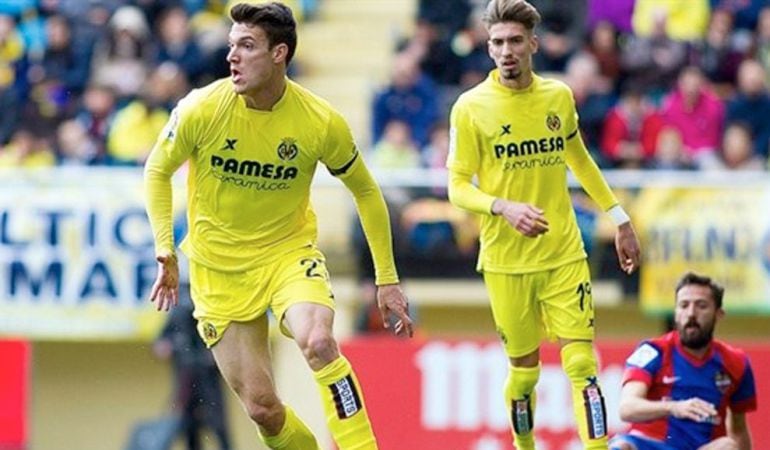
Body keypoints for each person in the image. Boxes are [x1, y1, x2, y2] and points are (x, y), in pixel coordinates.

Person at [143, 3, 414, 450]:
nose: (232, 56)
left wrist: (386, 279)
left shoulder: (319, 121)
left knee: (319, 340)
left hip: (287, 255)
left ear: (279, 53)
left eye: (246, 46)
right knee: (263, 410)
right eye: (231, 45)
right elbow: (157, 170)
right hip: (218, 270)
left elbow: (366, 192)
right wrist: (164, 249)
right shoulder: (201, 109)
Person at [446, 1, 642, 449]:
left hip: (563, 252)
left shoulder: (557, 97)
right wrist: (502, 207)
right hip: (506, 259)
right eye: (497, 42)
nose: (506, 51)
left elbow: (580, 159)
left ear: (533, 44)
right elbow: (456, 186)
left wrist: (620, 216)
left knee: (581, 366)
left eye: (515, 41)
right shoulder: (471, 107)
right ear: (489, 48)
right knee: (524, 374)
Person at [610, 272, 757, 450]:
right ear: (675, 312)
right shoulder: (652, 351)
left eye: (701, 306)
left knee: (727, 446)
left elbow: (738, 430)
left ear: (718, 314)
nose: (691, 314)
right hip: (650, 445)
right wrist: (673, 407)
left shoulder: (736, 362)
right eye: (684, 305)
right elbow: (627, 408)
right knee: (621, 446)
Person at [153, 285, 232, 450]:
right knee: (188, 426)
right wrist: (169, 347)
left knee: (218, 425)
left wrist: (216, 354)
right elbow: (160, 343)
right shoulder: (177, 313)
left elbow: (226, 339)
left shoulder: (211, 311)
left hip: (208, 378)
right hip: (186, 377)